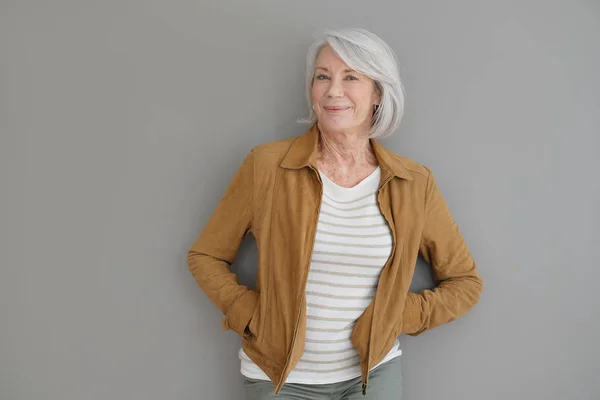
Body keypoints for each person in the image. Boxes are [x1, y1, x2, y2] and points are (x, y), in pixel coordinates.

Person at [187, 28, 483, 399]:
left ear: (377, 93)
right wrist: (250, 314)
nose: (333, 91)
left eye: (351, 77)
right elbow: (205, 256)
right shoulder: (267, 166)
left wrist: (395, 317)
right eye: (322, 76)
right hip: (278, 378)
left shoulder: (412, 182)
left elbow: (465, 283)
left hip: (371, 376)